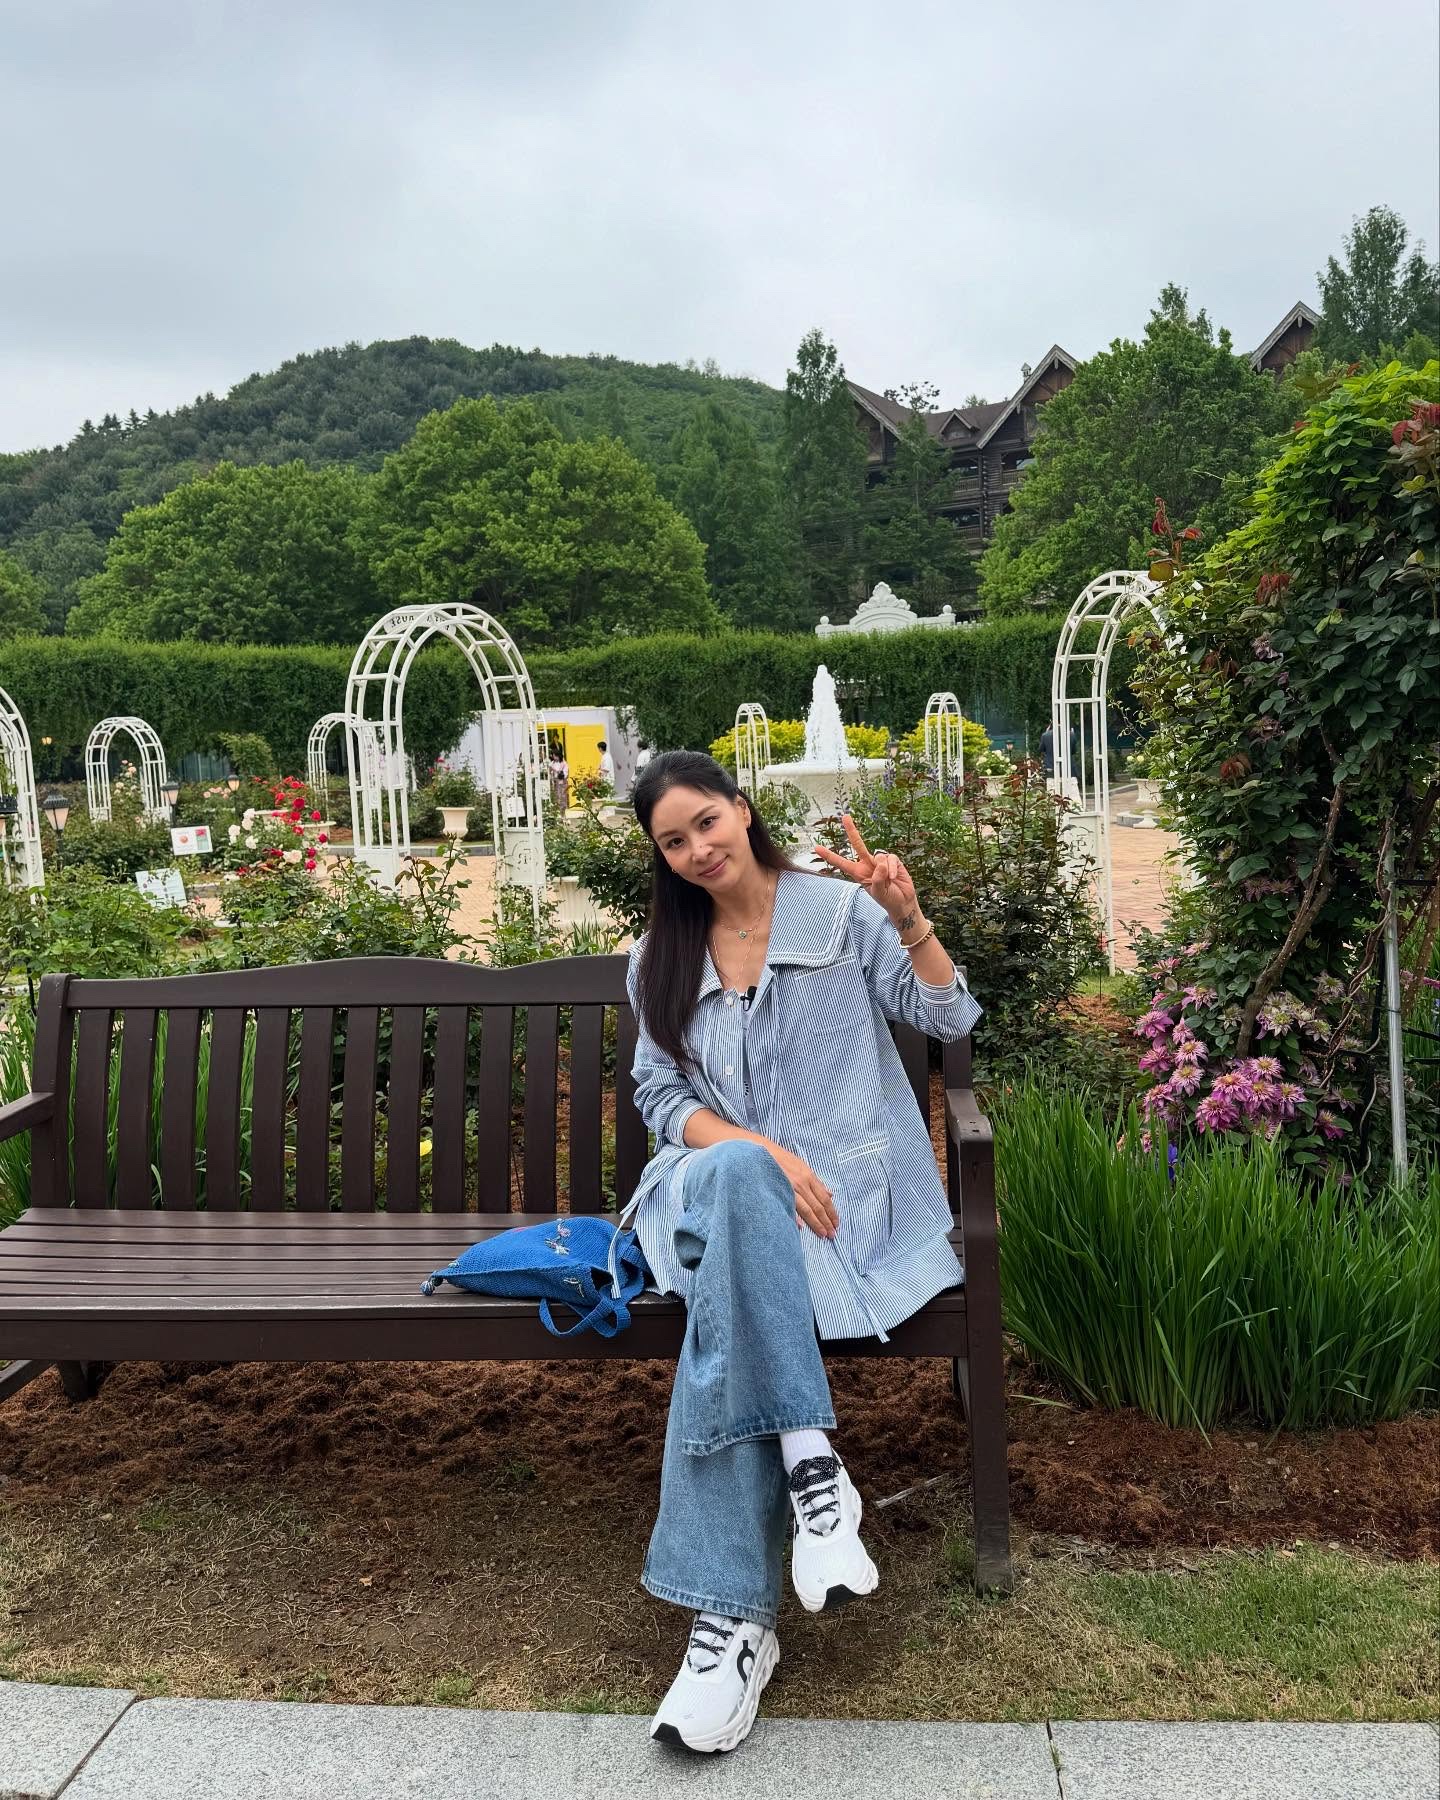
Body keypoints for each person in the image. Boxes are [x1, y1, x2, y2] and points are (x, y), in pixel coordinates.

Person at [625, 750, 982, 1754]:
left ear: (742, 810)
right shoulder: (658, 956)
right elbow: (662, 1098)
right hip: (702, 1195)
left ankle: (729, 1626)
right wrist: (766, 1156)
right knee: (744, 1180)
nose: (697, 849)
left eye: (706, 822)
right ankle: (813, 1468)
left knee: (732, 1318)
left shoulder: (838, 913)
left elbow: (950, 1018)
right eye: (673, 841)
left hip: (834, 1211)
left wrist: (908, 918)